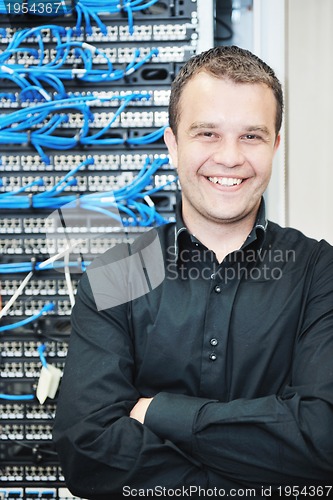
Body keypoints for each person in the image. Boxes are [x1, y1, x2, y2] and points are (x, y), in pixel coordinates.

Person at [53, 46, 333, 499]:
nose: (229, 158)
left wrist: (160, 412)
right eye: (207, 133)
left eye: (251, 136)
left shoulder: (321, 273)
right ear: (172, 144)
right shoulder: (114, 276)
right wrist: (255, 477)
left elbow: (324, 438)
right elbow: (86, 451)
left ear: (275, 145)